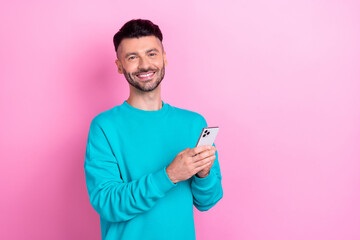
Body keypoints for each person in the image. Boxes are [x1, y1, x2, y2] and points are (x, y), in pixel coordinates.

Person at [84, 19, 223, 240]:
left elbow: (208, 200)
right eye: (132, 57)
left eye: (151, 54)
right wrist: (169, 175)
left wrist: (203, 173)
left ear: (164, 57)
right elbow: (107, 203)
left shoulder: (194, 123)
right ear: (119, 66)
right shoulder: (104, 126)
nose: (144, 65)